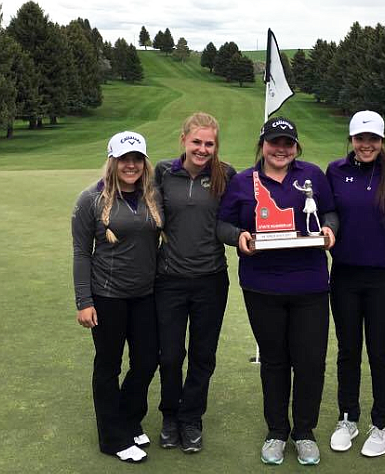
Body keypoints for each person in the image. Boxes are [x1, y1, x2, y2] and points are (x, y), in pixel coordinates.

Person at [217, 117, 337, 466]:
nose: (281, 149)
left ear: (296, 147)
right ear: (263, 145)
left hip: (310, 284)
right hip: (262, 285)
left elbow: (329, 213)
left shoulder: (313, 175)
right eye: (274, 142)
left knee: (310, 361)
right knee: (274, 360)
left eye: (288, 143)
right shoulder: (242, 181)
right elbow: (223, 223)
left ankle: (304, 432)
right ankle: (276, 431)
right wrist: (236, 236)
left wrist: (329, 228)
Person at [72, 131, 163, 463]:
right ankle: (113, 437)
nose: (131, 165)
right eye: (124, 159)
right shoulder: (90, 199)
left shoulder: (152, 194)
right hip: (107, 296)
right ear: (112, 161)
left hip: (146, 295)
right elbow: (82, 253)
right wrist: (84, 301)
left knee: (147, 360)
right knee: (109, 365)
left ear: (144, 162)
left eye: (137, 158)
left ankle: (128, 416)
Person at [326, 110, 385, 457]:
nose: (366, 145)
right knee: (348, 351)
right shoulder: (335, 171)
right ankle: (348, 418)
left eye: (372, 139)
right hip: (344, 274)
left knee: (380, 352)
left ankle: (382, 424)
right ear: (351, 140)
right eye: (360, 139)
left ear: (381, 141)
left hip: (383, 276)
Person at [154, 112, 236, 454]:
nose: (203, 149)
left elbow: (236, 216)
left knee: (204, 355)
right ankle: (170, 415)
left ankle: (191, 417)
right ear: (184, 140)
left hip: (211, 280)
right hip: (169, 279)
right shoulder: (162, 173)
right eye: (197, 142)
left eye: (209, 143)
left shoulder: (226, 174)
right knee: (170, 355)